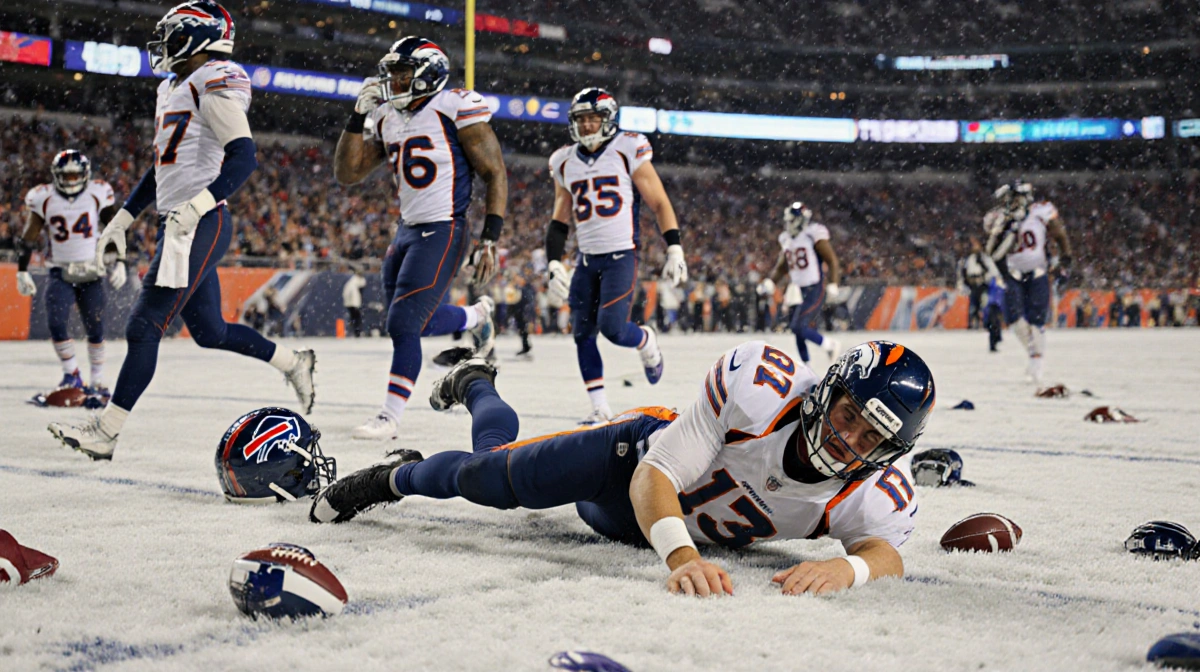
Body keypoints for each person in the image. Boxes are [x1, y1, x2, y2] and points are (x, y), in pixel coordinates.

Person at [310, 339, 935, 597]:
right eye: (849, 413)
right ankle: (392, 475)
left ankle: (476, 380)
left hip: (646, 527)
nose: (847, 437)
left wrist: (847, 567)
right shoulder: (762, 388)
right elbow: (656, 474)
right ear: (831, 390)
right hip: (626, 466)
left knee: (491, 461)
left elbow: (888, 549)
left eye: (869, 434)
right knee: (486, 480)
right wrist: (684, 560)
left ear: (890, 450)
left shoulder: (878, 489)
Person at [48, 1, 315, 461]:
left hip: (200, 222)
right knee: (210, 331)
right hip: (178, 220)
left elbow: (244, 156)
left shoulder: (215, 78)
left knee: (144, 324)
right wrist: (124, 217)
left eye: (173, 35)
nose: (164, 44)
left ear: (197, 37)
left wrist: (198, 206)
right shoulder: (174, 87)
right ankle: (294, 362)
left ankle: (106, 432)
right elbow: (160, 169)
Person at [334, 36, 507, 440]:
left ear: (428, 74)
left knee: (403, 322)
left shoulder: (456, 107)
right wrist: (356, 116)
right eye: (391, 74)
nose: (393, 82)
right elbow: (347, 173)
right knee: (410, 320)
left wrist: (489, 237)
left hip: (444, 226)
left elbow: (494, 171)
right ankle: (476, 316)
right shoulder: (386, 117)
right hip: (407, 228)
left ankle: (389, 417)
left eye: (402, 74)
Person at [543, 88, 688, 424]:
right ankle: (599, 406)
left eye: (594, 118)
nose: (588, 125)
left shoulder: (628, 148)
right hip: (586, 257)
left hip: (621, 255)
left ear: (608, 120)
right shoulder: (564, 160)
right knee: (582, 332)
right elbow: (559, 217)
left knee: (613, 328)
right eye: (582, 118)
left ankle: (645, 340)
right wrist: (553, 261)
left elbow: (659, 202)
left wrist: (674, 246)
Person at [16, 150, 125, 402]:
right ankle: (72, 374)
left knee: (95, 327)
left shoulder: (97, 193)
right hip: (60, 269)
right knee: (56, 322)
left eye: (75, 174)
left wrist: (120, 260)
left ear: (85, 175)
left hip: (91, 269)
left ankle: (97, 380)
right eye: (66, 175)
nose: (71, 180)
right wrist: (22, 269)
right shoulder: (43, 197)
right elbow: (30, 234)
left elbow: (114, 228)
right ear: (56, 175)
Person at [985, 181, 1071, 383]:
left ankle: (1036, 360)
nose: (1009, 203)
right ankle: (1033, 352)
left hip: (1037, 271)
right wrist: (1006, 226)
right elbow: (992, 249)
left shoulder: (1040, 212)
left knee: (1037, 320)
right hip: (1013, 272)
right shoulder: (998, 218)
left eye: (1013, 199)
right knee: (1013, 318)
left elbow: (1059, 233)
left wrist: (1066, 255)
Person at [770, 202, 842, 365]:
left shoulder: (813, 233)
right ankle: (806, 368)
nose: (789, 224)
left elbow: (831, 259)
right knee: (797, 330)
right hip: (796, 289)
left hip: (813, 286)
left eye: (792, 220)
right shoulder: (786, 238)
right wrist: (770, 281)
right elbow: (783, 265)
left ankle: (829, 344)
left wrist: (834, 282)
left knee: (798, 326)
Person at [956, 237, 1002, 330]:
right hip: (972, 284)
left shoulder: (984, 258)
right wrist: (962, 284)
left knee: (985, 304)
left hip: (983, 284)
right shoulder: (966, 259)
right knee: (973, 305)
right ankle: (973, 323)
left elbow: (993, 271)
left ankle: (986, 323)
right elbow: (961, 272)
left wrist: (987, 278)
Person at [342, 268, 367, 337]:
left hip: (352, 304)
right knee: (356, 318)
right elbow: (348, 294)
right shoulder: (353, 283)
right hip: (353, 304)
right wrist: (352, 303)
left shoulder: (353, 283)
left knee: (354, 318)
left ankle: (356, 331)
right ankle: (356, 332)